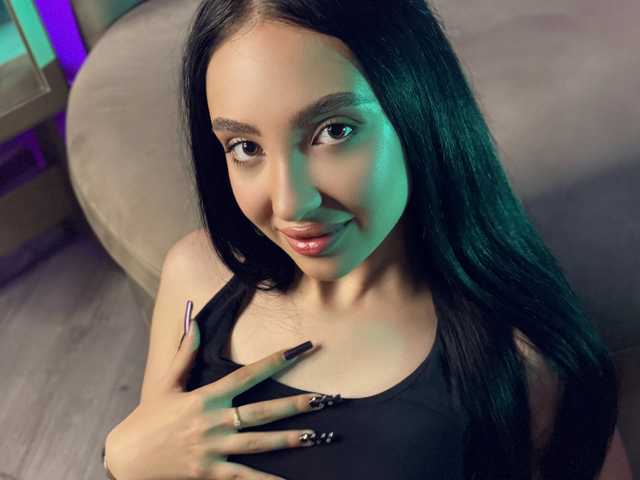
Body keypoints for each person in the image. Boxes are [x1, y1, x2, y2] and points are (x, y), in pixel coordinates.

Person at [127, 0, 624, 478]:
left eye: (334, 131)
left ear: (420, 113)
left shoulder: (523, 364)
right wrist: (125, 459)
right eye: (245, 147)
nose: (290, 204)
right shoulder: (194, 275)